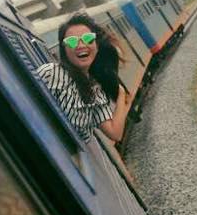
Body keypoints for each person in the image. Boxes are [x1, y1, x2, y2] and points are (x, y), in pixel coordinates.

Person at [36, 12, 131, 143]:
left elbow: (115, 133)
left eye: (87, 39)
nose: (81, 45)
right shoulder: (50, 74)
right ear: (64, 49)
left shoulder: (96, 91)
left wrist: (121, 94)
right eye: (72, 41)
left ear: (96, 45)